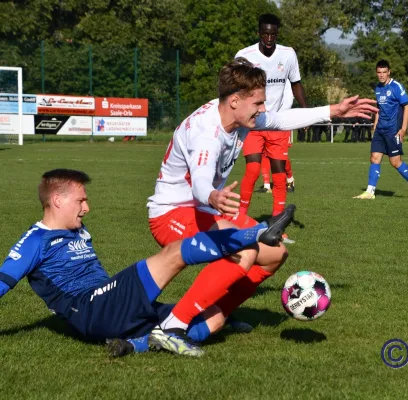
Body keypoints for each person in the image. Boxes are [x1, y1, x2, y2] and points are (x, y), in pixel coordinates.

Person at [146, 58, 377, 347]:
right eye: (258, 103)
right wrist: (213, 195)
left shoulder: (237, 115)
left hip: (201, 208)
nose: (263, 109)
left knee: (274, 254)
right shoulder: (207, 133)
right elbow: (201, 179)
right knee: (244, 252)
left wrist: (333, 111)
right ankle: (172, 325)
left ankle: (217, 313)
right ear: (234, 100)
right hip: (171, 214)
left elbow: (280, 120)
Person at [0, 169, 296, 358]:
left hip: (110, 302)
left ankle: (135, 345)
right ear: (56, 200)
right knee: (173, 254)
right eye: (81, 200)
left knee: (214, 319)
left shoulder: (76, 230)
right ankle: (257, 232)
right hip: (89, 308)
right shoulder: (34, 240)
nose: (87, 207)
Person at [236, 14, 307, 230]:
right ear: (259, 32)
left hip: (278, 123)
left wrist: (305, 112)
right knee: (253, 170)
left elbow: (296, 84)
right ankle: (239, 221)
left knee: (279, 174)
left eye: (273, 34)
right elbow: (234, 86)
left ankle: (277, 226)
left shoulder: (288, 54)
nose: (269, 37)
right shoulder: (244, 56)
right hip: (253, 123)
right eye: (265, 33)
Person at [353, 60, 408, 200]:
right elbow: (379, 108)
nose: (382, 75)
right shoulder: (378, 88)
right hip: (380, 129)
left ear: (389, 72)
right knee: (374, 158)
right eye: (379, 72)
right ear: (376, 73)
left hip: (393, 130)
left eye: (384, 72)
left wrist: (403, 129)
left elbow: (407, 107)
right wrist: (375, 124)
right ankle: (370, 192)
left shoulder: (396, 87)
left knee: (395, 161)